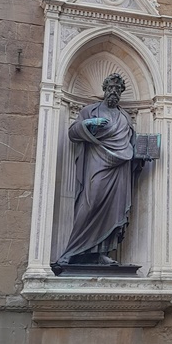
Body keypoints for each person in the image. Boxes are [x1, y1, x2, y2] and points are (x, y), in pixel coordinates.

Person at [51, 73, 141, 275]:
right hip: (97, 164)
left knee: (114, 210)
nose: (114, 92)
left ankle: (101, 252)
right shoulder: (89, 111)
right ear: (104, 90)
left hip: (120, 169)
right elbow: (73, 133)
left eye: (118, 90)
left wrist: (143, 155)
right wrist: (88, 125)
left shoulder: (125, 117)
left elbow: (132, 146)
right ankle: (71, 251)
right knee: (90, 204)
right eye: (110, 88)